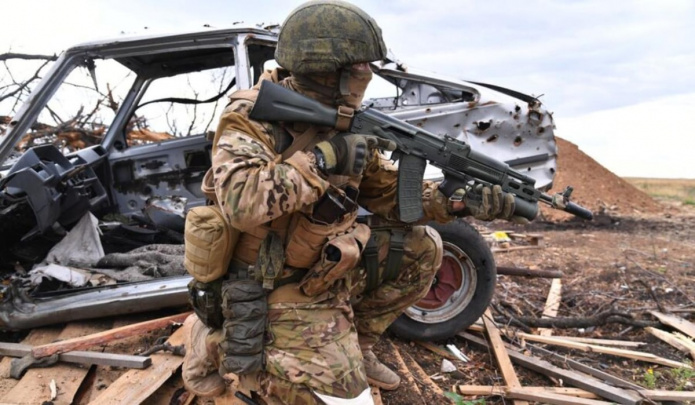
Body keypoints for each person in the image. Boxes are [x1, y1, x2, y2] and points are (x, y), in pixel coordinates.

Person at [181, 1, 519, 404]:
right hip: (268, 282)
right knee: (341, 393)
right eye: (359, 65)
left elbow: (388, 194)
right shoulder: (251, 115)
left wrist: (453, 201)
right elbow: (242, 202)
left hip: (327, 266)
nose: (367, 74)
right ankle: (216, 340)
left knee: (424, 245)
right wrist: (322, 160)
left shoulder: (343, 118)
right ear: (325, 69)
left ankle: (357, 346)